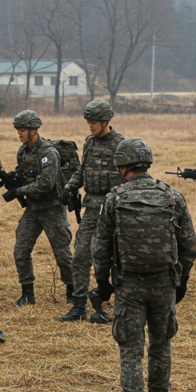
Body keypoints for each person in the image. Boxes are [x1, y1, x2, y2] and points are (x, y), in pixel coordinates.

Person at [92, 137, 196, 392]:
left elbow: (99, 246)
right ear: (146, 163)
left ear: (122, 166)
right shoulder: (172, 196)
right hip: (165, 284)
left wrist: (103, 283)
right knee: (161, 345)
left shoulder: (114, 199)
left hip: (129, 285)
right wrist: (181, 280)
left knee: (130, 349)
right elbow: (189, 246)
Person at [60, 99, 125, 323]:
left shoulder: (121, 144)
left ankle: (119, 299)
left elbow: (129, 178)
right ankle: (78, 305)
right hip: (90, 208)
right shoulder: (89, 143)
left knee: (115, 257)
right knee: (80, 255)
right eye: (88, 122)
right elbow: (82, 170)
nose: (90, 126)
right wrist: (69, 186)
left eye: (94, 122)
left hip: (113, 209)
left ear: (106, 121)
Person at [8, 111, 74, 308]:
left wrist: (20, 190)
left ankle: (73, 292)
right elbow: (23, 174)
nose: (19, 134)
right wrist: (12, 179)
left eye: (22, 130)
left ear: (34, 131)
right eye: (18, 130)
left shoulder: (48, 152)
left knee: (62, 253)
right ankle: (27, 294)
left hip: (52, 208)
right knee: (21, 249)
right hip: (33, 209)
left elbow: (46, 183)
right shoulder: (23, 151)